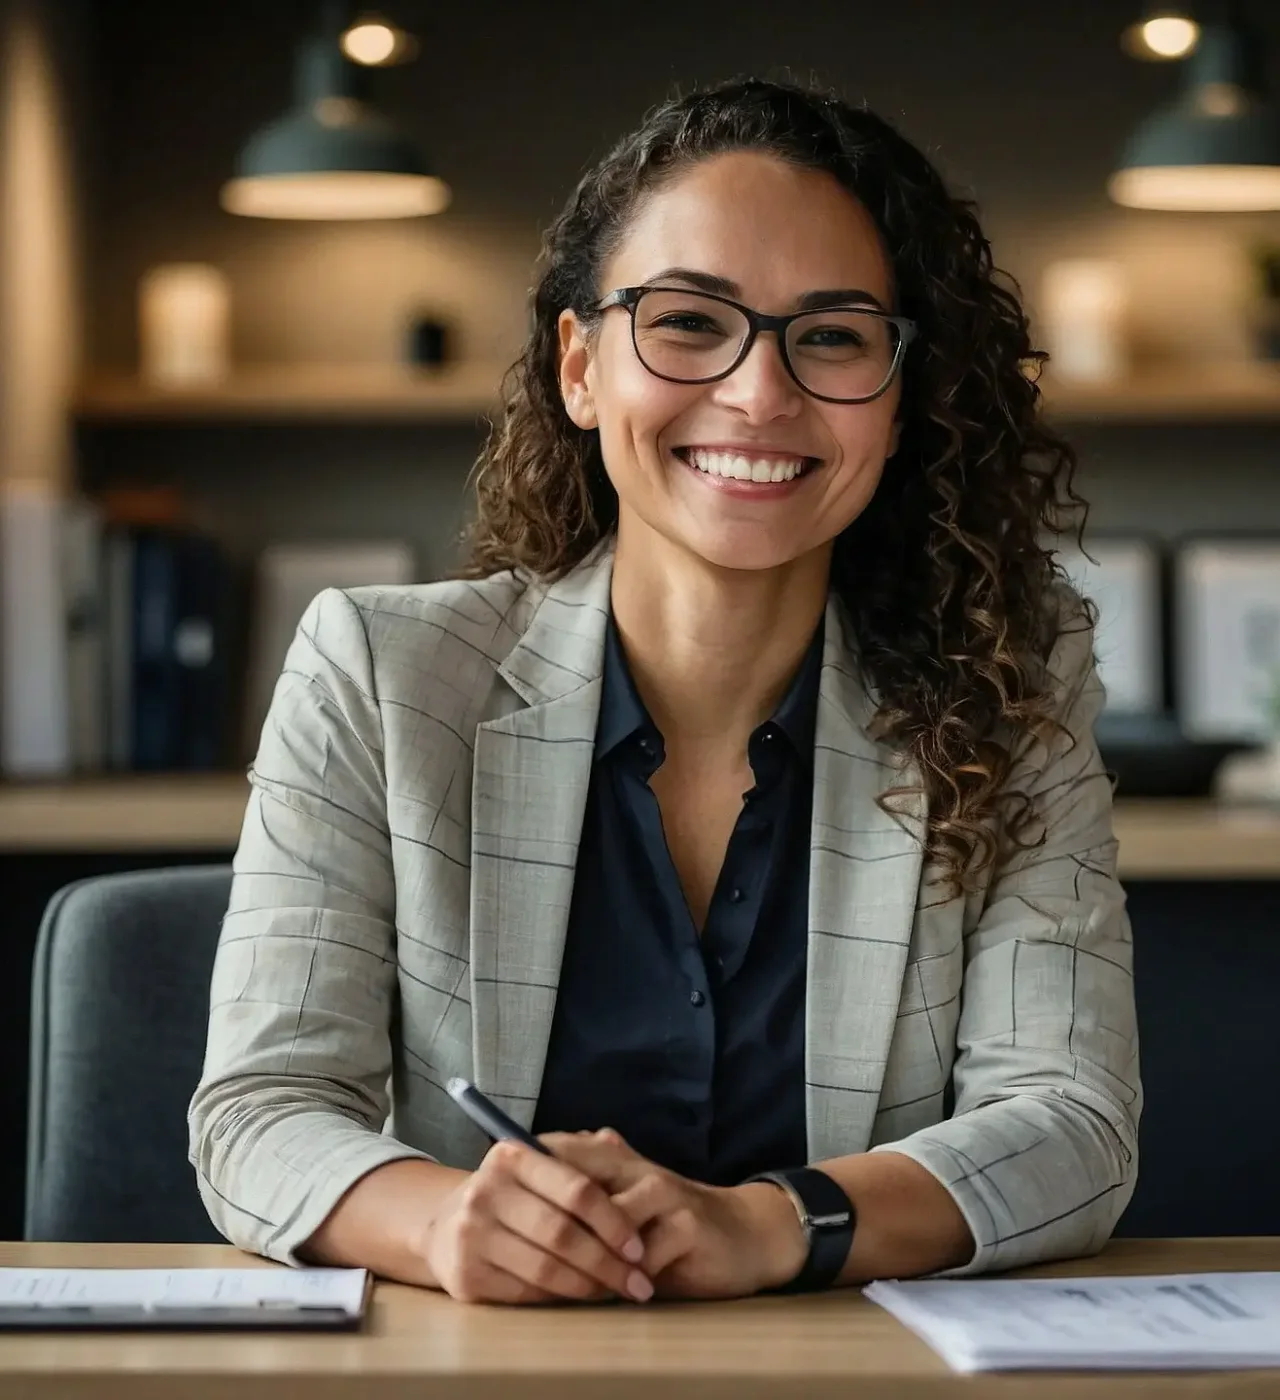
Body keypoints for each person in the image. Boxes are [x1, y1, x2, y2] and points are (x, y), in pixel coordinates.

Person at [189, 77, 1140, 1306]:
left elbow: (1070, 1124)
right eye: (689, 321)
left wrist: (775, 1222)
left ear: (900, 405)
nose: (758, 392)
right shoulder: (378, 671)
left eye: (835, 334)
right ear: (580, 367)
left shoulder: (1009, 685)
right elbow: (261, 1109)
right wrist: (445, 1224)